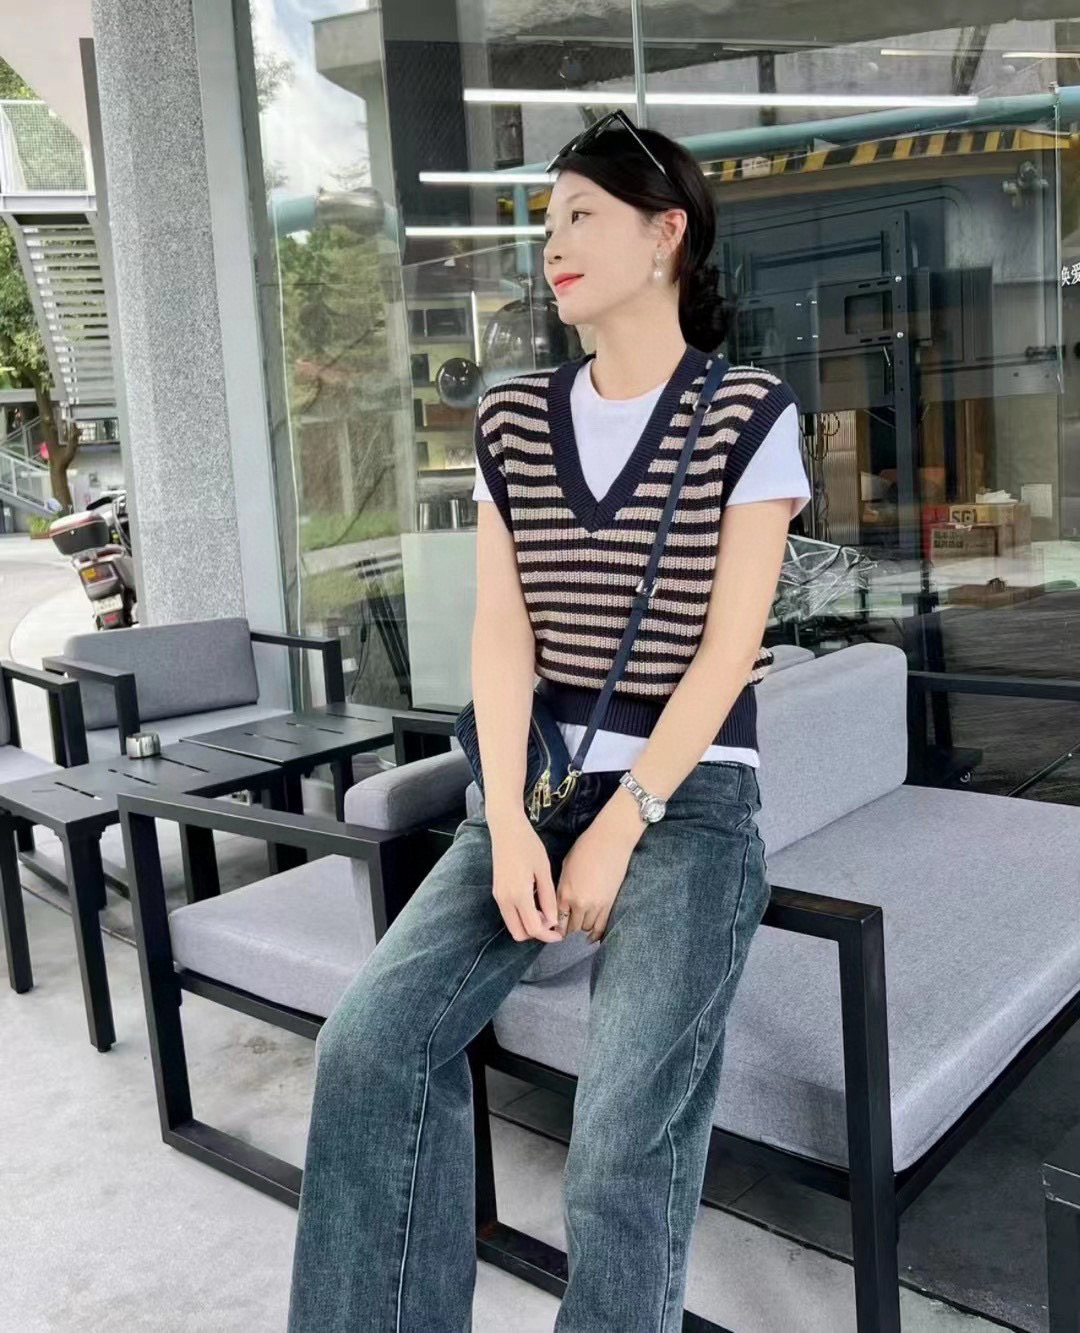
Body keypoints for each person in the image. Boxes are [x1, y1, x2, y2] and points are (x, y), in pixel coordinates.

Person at [287, 111, 810, 1332]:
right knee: (370, 1043)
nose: (552, 245)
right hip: (535, 786)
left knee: (621, 1139)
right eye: (545, 222)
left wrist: (623, 824)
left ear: (665, 235)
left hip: (687, 801)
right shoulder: (513, 421)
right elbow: (502, 634)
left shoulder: (748, 412)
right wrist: (511, 823)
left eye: (580, 215)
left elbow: (728, 652)